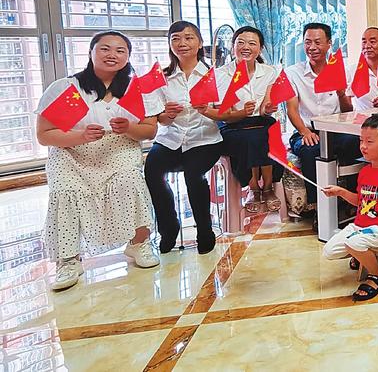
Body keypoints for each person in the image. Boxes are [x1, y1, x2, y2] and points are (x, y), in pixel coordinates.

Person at [35, 31, 162, 291]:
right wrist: (80, 136)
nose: (112, 55)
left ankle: (139, 243)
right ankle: (68, 260)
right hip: (72, 152)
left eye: (120, 50)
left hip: (118, 148)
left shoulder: (136, 89)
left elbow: (149, 131)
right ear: (91, 52)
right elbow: (44, 135)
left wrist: (128, 127)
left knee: (130, 179)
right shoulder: (66, 88)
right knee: (65, 191)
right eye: (105, 49)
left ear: (128, 57)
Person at [144, 21, 224, 255]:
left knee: (193, 174)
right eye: (176, 38)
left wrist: (208, 111)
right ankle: (169, 227)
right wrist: (167, 115)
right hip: (171, 138)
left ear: (199, 43)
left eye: (189, 38)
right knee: (152, 169)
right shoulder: (162, 78)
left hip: (205, 139)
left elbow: (225, 112)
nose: (182, 43)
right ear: (170, 44)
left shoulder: (215, 76)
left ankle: (204, 230)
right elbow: (160, 119)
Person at [321, 113, 378, 301]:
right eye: (361, 140)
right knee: (329, 251)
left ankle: (377, 276)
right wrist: (340, 192)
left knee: (354, 243)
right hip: (361, 225)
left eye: (369, 142)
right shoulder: (365, 172)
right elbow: (360, 202)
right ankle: (361, 254)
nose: (363, 146)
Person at [279, 23, 358, 207]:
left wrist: (341, 94)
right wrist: (304, 132)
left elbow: (348, 111)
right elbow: (292, 109)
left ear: (329, 43)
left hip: (337, 130)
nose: (312, 47)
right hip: (306, 130)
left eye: (317, 42)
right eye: (308, 42)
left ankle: (353, 201)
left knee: (358, 144)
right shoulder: (293, 73)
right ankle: (318, 206)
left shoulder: (341, 71)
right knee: (310, 150)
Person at [204, 26, 281, 212]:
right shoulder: (221, 74)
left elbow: (265, 107)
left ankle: (268, 187)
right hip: (232, 125)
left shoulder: (269, 71)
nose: (246, 47)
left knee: (270, 134)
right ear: (233, 47)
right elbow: (225, 114)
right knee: (252, 139)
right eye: (241, 43)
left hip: (260, 122)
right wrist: (242, 113)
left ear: (260, 49)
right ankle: (254, 188)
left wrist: (268, 108)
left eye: (252, 43)